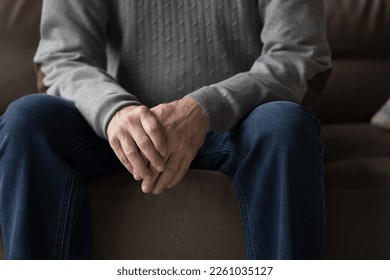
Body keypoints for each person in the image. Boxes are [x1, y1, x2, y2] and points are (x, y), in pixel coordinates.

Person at [0, 0, 331, 259]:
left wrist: (204, 108)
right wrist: (115, 110)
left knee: (286, 125)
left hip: (237, 123)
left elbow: (299, 54)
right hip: (118, 132)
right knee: (26, 119)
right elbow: (61, 59)